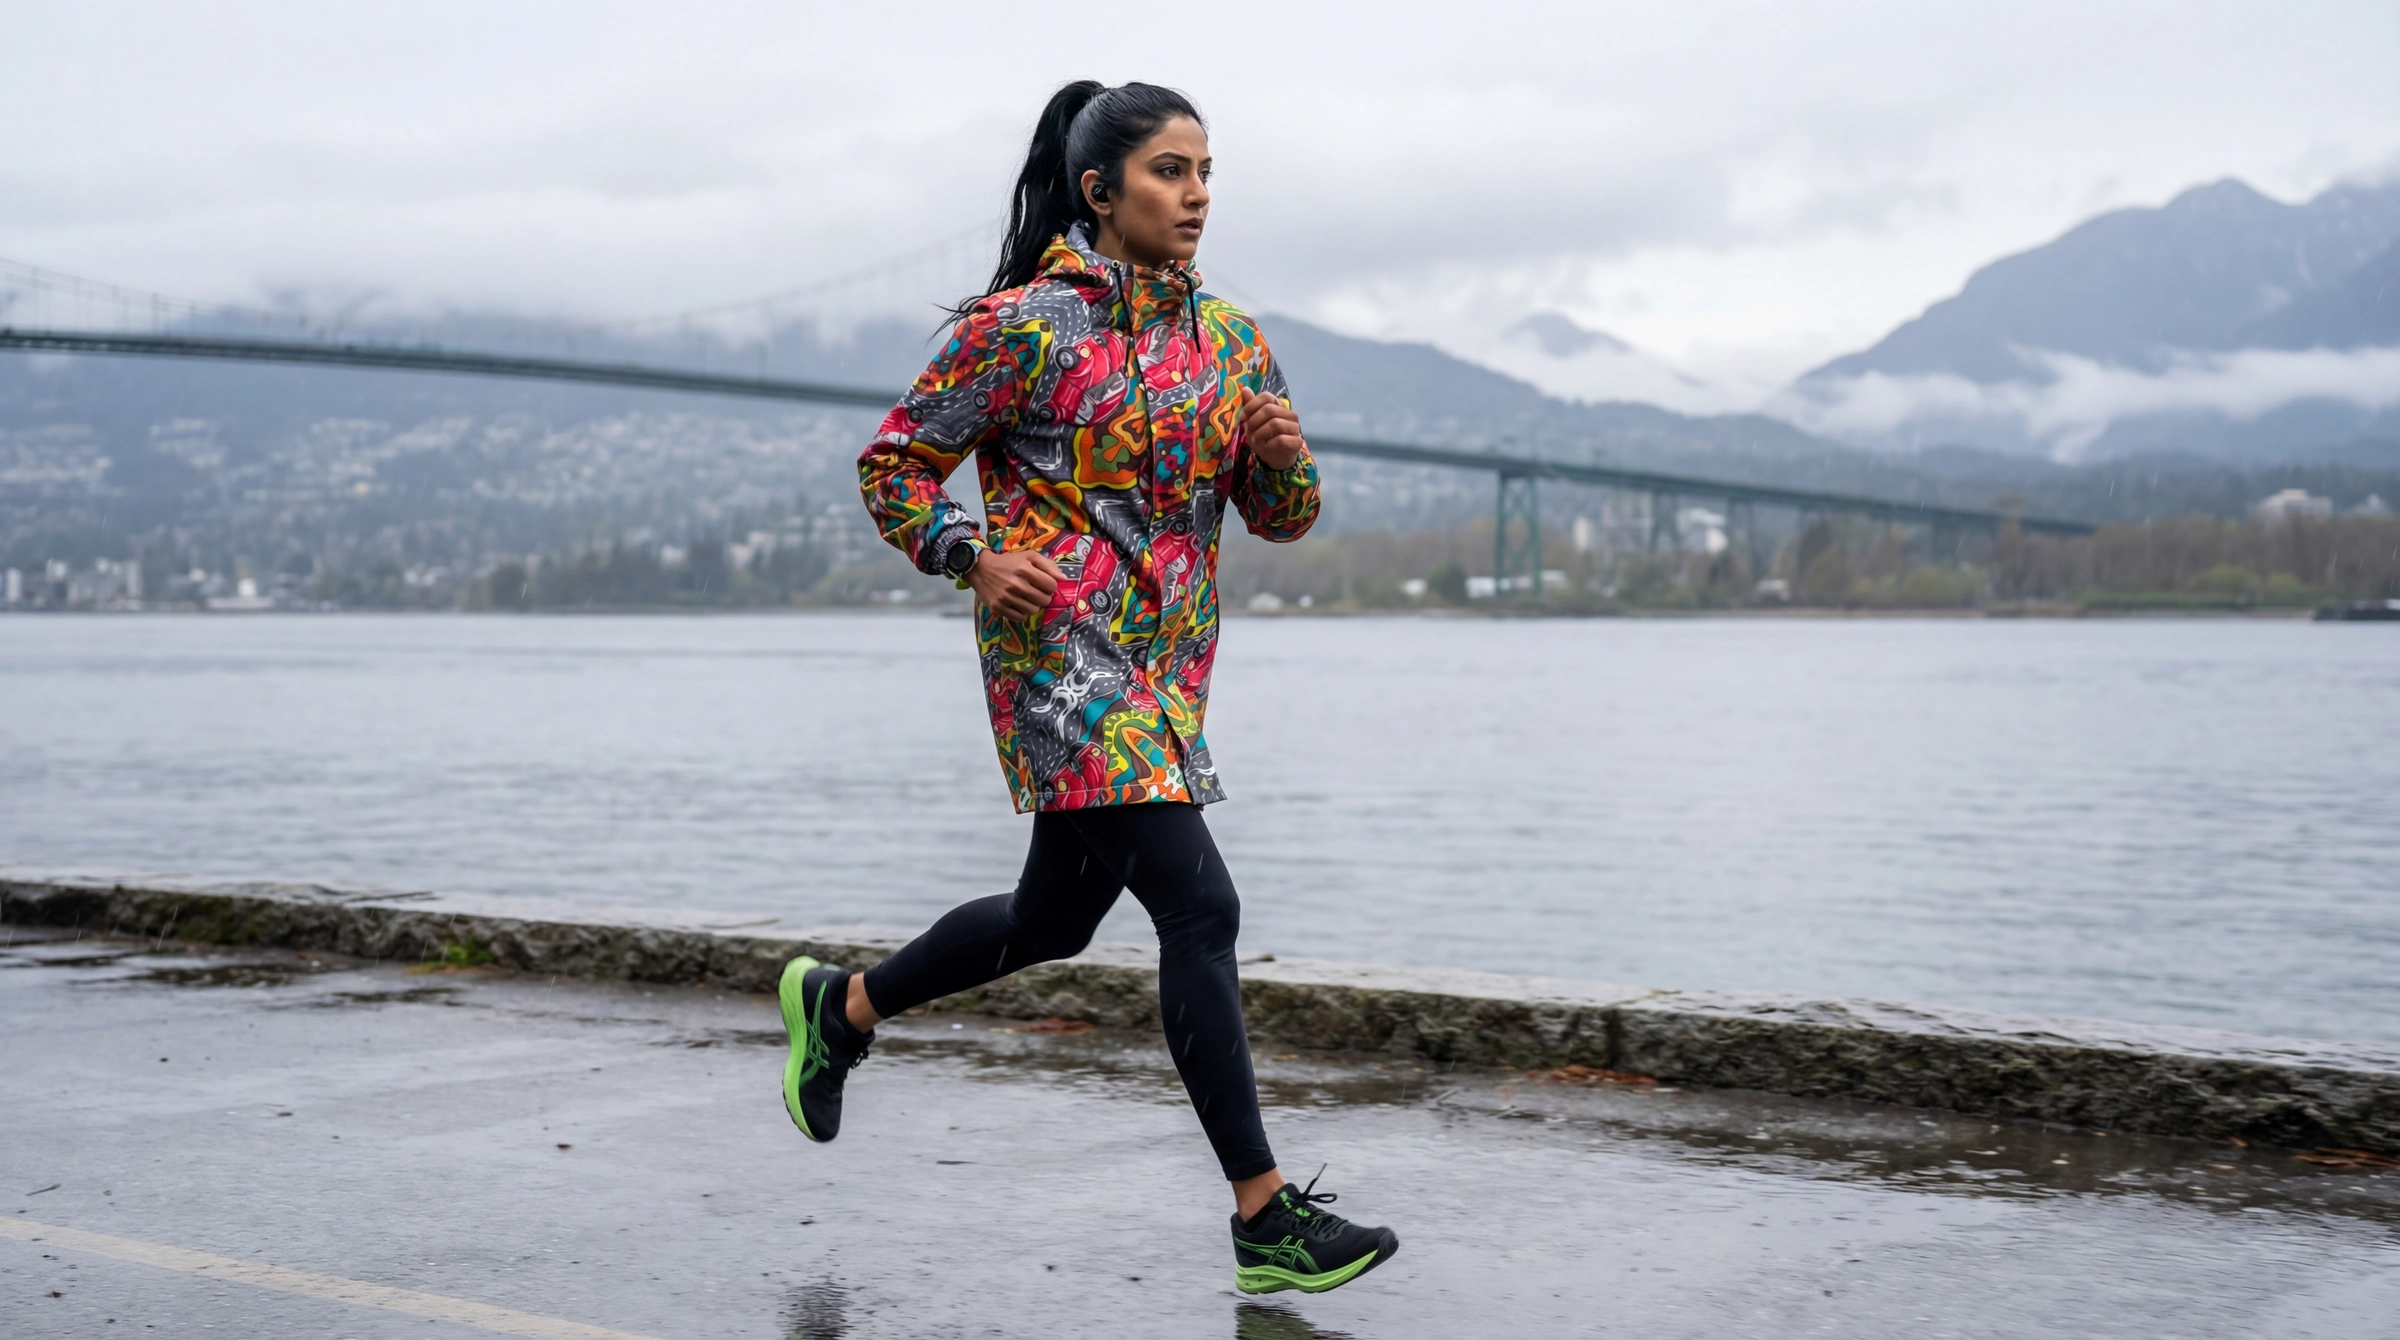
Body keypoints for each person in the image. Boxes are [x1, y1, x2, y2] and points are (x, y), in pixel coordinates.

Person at [775, 79, 1398, 1297]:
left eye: (1208, 171)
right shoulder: (1022, 329)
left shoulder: (1228, 339)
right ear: (1100, 191)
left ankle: (842, 1006)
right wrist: (970, 554)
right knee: (1201, 907)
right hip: (1059, 661)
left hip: (1169, 672)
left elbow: (1284, 517)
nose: (1199, 194)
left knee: (1052, 922)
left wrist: (1283, 460)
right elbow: (895, 465)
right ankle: (1264, 1216)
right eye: (1172, 172)